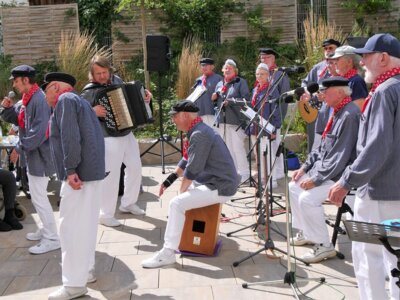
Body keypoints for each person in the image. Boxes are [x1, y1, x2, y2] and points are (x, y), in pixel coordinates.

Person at [329, 33, 400, 300]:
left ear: (383, 58)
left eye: (367, 57)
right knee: (395, 257)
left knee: (368, 255)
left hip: (378, 192)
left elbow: (376, 146)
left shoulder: (384, 91)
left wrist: (346, 180)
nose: (362, 64)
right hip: (394, 190)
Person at [141, 100, 239, 268]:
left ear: (185, 115)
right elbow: (187, 158)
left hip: (221, 185)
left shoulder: (199, 134)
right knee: (182, 201)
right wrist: (169, 180)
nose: (173, 120)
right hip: (214, 180)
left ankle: (168, 253)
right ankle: (188, 238)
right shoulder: (199, 129)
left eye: (175, 117)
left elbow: (192, 170)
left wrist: (181, 193)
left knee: (176, 204)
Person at [43, 72, 105, 300]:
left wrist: (70, 170)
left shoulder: (66, 101)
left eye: (47, 88)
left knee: (70, 230)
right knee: (86, 226)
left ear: (57, 88)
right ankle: (85, 272)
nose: (45, 94)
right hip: (91, 173)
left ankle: (73, 285)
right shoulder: (80, 101)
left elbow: (70, 137)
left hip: (79, 175)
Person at [289, 77, 360, 263]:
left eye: (325, 91)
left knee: (307, 198)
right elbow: (321, 148)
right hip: (326, 169)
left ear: (339, 92)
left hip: (339, 175)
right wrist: (304, 168)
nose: (320, 95)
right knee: (293, 186)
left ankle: (324, 245)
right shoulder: (335, 110)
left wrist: (316, 179)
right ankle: (307, 232)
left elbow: (340, 156)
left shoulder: (349, 115)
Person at [81, 55, 151, 227]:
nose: (102, 76)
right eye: (98, 73)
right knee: (111, 175)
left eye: (104, 72)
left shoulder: (117, 80)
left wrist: (145, 97)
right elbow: (78, 112)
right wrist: (92, 110)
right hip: (108, 136)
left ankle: (128, 203)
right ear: (92, 74)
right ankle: (105, 214)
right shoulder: (89, 91)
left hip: (126, 132)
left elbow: (131, 97)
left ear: (109, 70)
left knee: (135, 167)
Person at [0, 65, 59, 254]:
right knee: (37, 196)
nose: (14, 85)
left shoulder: (39, 100)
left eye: (16, 81)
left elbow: (39, 132)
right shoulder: (27, 98)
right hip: (34, 157)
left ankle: (52, 238)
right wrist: (5, 107)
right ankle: (45, 229)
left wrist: (19, 147)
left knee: (40, 197)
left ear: (25, 80)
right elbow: (17, 118)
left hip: (40, 158)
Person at [211, 59, 251, 182]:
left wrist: (232, 101)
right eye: (225, 68)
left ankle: (245, 173)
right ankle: (233, 172)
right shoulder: (219, 84)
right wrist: (214, 97)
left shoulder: (240, 82)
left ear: (235, 71)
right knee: (227, 148)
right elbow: (216, 102)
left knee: (237, 148)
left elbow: (247, 101)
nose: (227, 70)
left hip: (236, 121)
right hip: (222, 121)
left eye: (230, 68)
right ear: (223, 71)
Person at [301, 38, 341, 152]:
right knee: (315, 141)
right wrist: (309, 93)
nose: (328, 51)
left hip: (332, 109)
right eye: (325, 49)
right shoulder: (318, 67)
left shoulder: (341, 65)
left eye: (331, 48)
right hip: (315, 108)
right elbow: (305, 83)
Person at [250, 63, 283, 188]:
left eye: (262, 74)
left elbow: (276, 110)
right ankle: (263, 177)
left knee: (267, 154)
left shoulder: (272, 89)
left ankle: (272, 180)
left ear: (268, 75)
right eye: (257, 74)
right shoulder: (255, 89)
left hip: (267, 127)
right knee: (258, 154)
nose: (259, 76)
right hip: (256, 126)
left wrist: (274, 128)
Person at [329, 45, 368, 109]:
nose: (334, 62)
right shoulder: (345, 80)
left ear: (349, 62)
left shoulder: (356, 81)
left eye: (337, 59)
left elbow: (358, 110)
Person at [191, 58, 223, 127]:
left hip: (212, 114)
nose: (204, 67)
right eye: (202, 65)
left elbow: (222, 95)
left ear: (212, 67)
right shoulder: (198, 80)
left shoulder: (218, 78)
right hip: (200, 114)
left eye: (206, 65)